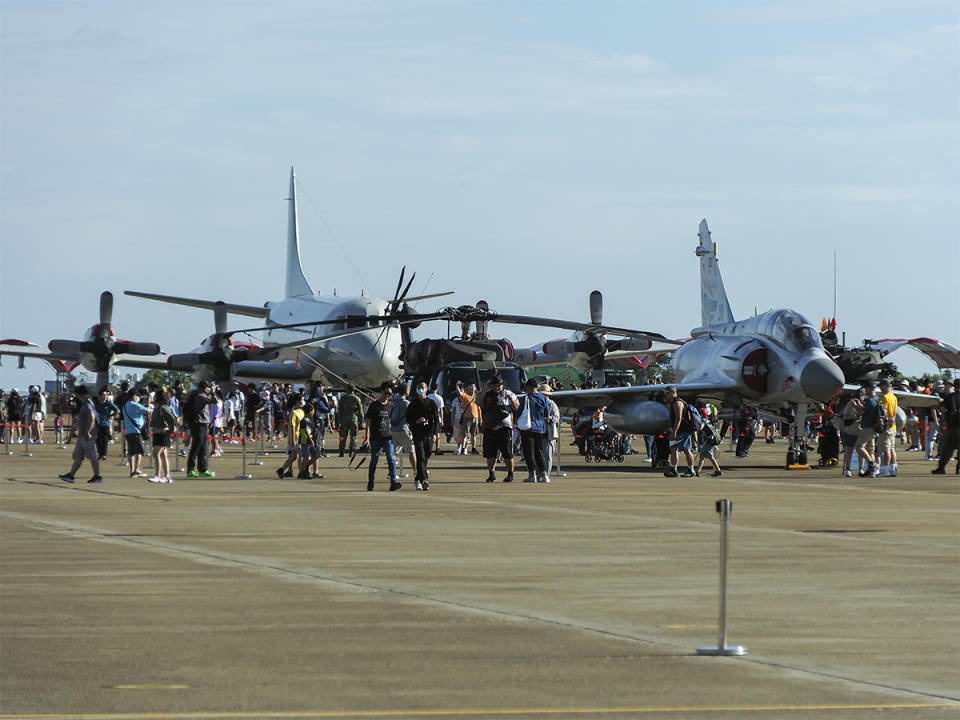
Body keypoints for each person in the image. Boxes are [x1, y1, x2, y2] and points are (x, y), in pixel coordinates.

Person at [59, 386, 102, 484]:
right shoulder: (87, 403)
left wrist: (88, 432)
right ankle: (71, 475)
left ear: (80, 395)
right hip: (82, 434)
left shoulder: (87, 404)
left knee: (92, 455)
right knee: (78, 456)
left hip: (86, 435)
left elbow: (92, 418)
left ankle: (97, 476)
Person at [480, 375, 519, 483]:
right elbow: (478, 402)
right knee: (490, 452)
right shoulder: (487, 394)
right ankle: (491, 474)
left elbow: (516, 407)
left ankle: (510, 474)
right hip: (490, 426)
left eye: (499, 385)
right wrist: (484, 389)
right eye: (495, 385)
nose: (497, 387)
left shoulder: (508, 394)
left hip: (505, 426)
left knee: (507, 451)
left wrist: (511, 400)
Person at [365, 382, 401, 491]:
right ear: (381, 392)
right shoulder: (374, 405)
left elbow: (392, 420)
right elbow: (368, 422)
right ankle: (371, 482)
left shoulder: (391, 406)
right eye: (386, 393)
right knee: (374, 460)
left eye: (390, 394)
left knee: (391, 458)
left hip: (387, 437)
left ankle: (393, 482)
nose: (388, 396)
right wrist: (367, 437)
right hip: (375, 437)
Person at [406, 381, 440, 490]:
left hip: (429, 433)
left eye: (423, 387)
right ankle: (424, 480)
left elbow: (436, 420)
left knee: (426, 456)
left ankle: (418, 479)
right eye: (419, 387)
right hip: (417, 434)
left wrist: (435, 433)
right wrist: (416, 421)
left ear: (426, 388)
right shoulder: (413, 404)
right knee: (420, 456)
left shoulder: (432, 403)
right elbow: (408, 419)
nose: (421, 389)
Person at [516, 378, 551, 483]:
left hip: (528, 428)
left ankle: (532, 474)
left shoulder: (525, 398)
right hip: (540, 428)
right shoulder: (543, 398)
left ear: (529, 387)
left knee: (528, 452)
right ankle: (544, 474)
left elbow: (519, 413)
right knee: (539, 451)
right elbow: (546, 413)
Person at [184, 381, 218, 478]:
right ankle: (190, 470)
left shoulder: (200, 395)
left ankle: (203, 469)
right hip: (198, 424)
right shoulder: (200, 396)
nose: (209, 389)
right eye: (208, 387)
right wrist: (213, 392)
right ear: (205, 388)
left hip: (203, 424)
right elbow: (214, 400)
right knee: (196, 447)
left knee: (203, 448)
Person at [662, 386, 696, 477]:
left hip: (683, 430)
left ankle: (691, 469)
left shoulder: (678, 402)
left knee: (686, 449)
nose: (666, 395)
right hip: (678, 430)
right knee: (673, 449)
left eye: (667, 393)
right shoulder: (673, 402)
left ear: (673, 392)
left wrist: (674, 432)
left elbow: (678, 418)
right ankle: (674, 468)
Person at [390, 383, 417, 480]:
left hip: (393, 429)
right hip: (404, 429)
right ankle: (415, 471)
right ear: (406, 391)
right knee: (411, 451)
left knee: (393, 453)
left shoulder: (392, 401)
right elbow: (411, 417)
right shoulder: (406, 403)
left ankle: (391, 472)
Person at [149, 390, 177, 483]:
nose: (153, 397)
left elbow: (172, 420)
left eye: (155, 396)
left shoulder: (163, 408)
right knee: (163, 455)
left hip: (163, 434)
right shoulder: (158, 407)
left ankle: (157, 475)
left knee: (155, 453)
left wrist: (169, 430)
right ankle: (167, 476)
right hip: (157, 433)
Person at [932, 379, 959, 475]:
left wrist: (944, 421)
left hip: (952, 427)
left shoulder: (950, 397)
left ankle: (941, 468)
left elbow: (942, 408)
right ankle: (959, 468)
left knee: (948, 448)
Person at [854, 380, 880, 478]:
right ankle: (872, 471)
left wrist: (856, 407)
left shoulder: (869, 400)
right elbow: (868, 410)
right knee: (870, 450)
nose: (865, 391)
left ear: (869, 388)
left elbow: (862, 413)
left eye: (865, 389)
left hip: (868, 427)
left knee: (859, 446)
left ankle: (872, 465)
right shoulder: (877, 398)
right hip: (874, 427)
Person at [123, 388, 150, 478]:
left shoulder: (125, 405)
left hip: (128, 431)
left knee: (131, 452)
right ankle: (136, 470)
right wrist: (149, 403)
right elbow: (148, 410)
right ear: (133, 396)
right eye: (137, 396)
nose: (138, 397)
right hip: (136, 431)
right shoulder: (134, 405)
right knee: (139, 451)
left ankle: (132, 470)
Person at [277, 392, 304, 478]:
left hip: (301, 436)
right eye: (302, 400)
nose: (303, 401)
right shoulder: (294, 412)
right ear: (297, 401)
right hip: (295, 437)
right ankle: (301, 473)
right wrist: (293, 441)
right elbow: (292, 427)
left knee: (293, 457)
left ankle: (281, 470)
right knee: (301, 454)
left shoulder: (302, 411)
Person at [876, 378, 899, 476]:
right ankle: (893, 468)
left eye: (881, 386)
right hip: (893, 425)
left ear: (885, 386)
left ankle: (885, 469)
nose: (880, 388)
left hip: (886, 426)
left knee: (886, 449)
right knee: (892, 448)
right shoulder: (894, 397)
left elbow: (883, 412)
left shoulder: (885, 397)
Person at [840, 389, 864, 478]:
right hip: (850, 431)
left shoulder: (863, 404)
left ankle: (861, 469)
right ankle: (848, 469)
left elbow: (864, 413)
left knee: (861, 451)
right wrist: (855, 416)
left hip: (860, 431)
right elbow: (845, 416)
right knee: (849, 450)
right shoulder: (849, 405)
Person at [337, 385, 364, 457]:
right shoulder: (356, 398)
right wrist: (361, 421)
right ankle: (351, 450)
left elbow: (339, 410)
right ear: (353, 390)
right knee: (353, 436)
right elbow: (360, 411)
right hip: (353, 419)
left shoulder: (343, 398)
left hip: (344, 419)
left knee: (342, 436)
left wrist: (339, 420)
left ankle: (341, 451)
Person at [455, 381, 482, 455]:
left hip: (475, 417)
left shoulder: (477, 397)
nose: (471, 387)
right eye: (470, 386)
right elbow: (459, 393)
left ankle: (473, 448)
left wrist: (480, 418)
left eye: (473, 386)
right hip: (467, 417)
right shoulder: (465, 395)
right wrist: (457, 386)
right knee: (465, 434)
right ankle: (463, 448)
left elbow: (479, 408)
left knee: (474, 434)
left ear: (475, 388)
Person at [695, 409, 723, 477]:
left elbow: (699, 428)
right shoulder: (708, 421)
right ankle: (698, 471)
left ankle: (718, 470)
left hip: (710, 440)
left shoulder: (703, 422)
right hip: (713, 439)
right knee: (703, 455)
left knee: (708, 456)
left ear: (701, 415)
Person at [93, 386, 119, 460]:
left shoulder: (108, 403)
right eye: (103, 395)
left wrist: (111, 416)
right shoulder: (96, 403)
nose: (104, 397)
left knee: (104, 440)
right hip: (97, 424)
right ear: (99, 396)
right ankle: (100, 454)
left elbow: (117, 410)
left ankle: (104, 454)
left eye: (106, 395)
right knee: (98, 440)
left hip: (105, 424)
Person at [541, 384, 561, 477]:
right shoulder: (537, 403)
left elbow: (556, 417)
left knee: (548, 454)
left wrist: (547, 418)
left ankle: (547, 473)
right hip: (538, 431)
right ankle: (540, 472)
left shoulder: (551, 404)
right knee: (539, 454)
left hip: (548, 432)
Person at [427, 384, 445, 454]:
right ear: (437, 389)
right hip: (437, 418)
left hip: (428, 417)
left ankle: (429, 448)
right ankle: (437, 448)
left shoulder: (428, 397)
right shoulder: (439, 398)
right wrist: (442, 420)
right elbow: (441, 410)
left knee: (429, 433)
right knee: (437, 433)